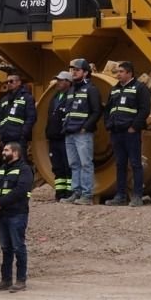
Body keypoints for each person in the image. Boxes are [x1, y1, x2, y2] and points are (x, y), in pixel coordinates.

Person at [104, 61, 151, 207]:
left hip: (131, 133)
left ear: (129, 73)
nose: (118, 74)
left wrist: (134, 127)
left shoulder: (140, 88)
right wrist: (109, 125)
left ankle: (137, 196)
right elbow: (108, 109)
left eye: (121, 72)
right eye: (117, 72)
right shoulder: (114, 90)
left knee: (136, 164)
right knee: (120, 164)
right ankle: (120, 196)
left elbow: (145, 109)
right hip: (116, 132)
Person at [0, 142, 34, 293]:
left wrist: (0, 203)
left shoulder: (24, 169)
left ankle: (21, 280)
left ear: (15, 153)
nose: (3, 152)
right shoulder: (2, 168)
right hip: (2, 214)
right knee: (6, 248)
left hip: (17, 214)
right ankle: (6, 280)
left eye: (6, 150)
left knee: (18, 247)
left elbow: (21, 190)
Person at [62, 58, 102, 205]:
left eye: (77, 70)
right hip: (70, 132)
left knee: (86, 164)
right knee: (74, 163)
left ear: (85, 73)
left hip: (82, 133)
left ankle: (87, 195)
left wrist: (86, 127)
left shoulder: (91, 89)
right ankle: (76, 192)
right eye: (72, 70)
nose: (73, 72)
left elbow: (97, 111)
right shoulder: (71, 89)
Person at [46, 72, 74, 201]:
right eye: (57, 80)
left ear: (68, 82)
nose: (58, 83)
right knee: (57, 166)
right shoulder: (55, 97)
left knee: (68, 165)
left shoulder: (71, 96)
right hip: (53, 137)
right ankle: (60, 192)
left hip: (65, 137)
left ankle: (70, 193)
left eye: (61, 80)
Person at [0, 73, 37, 154]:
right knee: (7, 160)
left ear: (19, 82)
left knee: (20, 159)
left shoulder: (27, 98)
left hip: (19, 139)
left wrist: (23, 134)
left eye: (11, 81)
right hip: (5, 138)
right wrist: (1, 135)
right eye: (7, 82)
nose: (8, 83)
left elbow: (31, 117)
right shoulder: (4, 99)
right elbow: (0, 118)